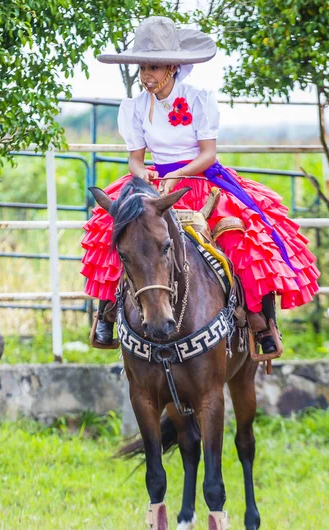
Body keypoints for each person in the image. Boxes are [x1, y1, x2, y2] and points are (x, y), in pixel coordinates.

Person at [81, 16, 320, 354]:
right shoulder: (133, 107)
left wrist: (179, 175)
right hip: (155, 183)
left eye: (152, 67)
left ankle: (258, 322)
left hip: (199, 180)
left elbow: (208, 154)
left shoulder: (198, 98)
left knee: (239, 237)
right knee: (112, 230)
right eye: (142, 67)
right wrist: (142, 173)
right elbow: (135, 157)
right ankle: (106, 314)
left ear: (172, 67)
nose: (145, 75)